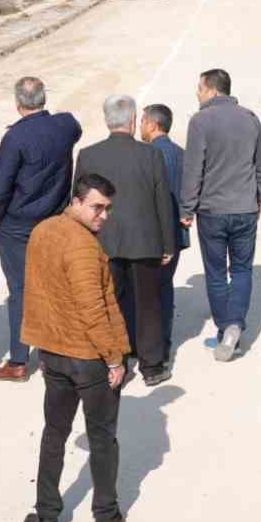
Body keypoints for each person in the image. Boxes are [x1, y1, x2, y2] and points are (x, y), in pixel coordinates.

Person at [20, 173, 131, 522]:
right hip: (89, 358)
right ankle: (106, 518)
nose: (104, 216)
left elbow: (37, 292)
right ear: (78, 201)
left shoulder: (42, 231)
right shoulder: (83, 246)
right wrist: (114, 359)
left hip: (52, 354)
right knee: (102, 437)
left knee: (54, 433)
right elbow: (93, 310)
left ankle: (47, 519)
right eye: (97, 207)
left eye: (108, 208)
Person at [0, 77, 83, 382]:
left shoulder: (15, 138)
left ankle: (18, 361)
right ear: (44, 99)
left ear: (18, 104)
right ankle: (51, 354)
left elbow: (0, 186)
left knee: (21, 289)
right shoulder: (65, 126)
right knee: (53, 284)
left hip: (18, 224)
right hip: (54, 218)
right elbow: (74, 127)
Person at [76, 95, 175, 386]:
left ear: (107, 120)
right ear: (133, 121)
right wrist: (167, 243)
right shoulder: (151, 154)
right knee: (148, 303)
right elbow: (162, 201)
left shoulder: (88, 155)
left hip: (102, 240)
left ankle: (114, 360)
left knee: (109, 303)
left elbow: (80, 202)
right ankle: (152, 366)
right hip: (145, 240)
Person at [180, 69, 261, 362]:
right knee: (242, 270)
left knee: (217, 272)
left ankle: (224, 331)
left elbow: (193, 168)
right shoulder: (250, 118)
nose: (197, 94)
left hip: (213, 211)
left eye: (200, 88)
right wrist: (258, 195)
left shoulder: (200, 121)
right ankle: (235, 327)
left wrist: (187, 208)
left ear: (213, 91)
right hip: (245, 208)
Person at [140, 103, 188, 367]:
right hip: (176, 235)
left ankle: (153, 347)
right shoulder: (181, 154)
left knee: (149, 294)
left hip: (154, 237)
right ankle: (164, 344)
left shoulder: (147, 155)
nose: (139, 127)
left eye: (142, 122)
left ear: (152, 125)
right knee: (164, 288)